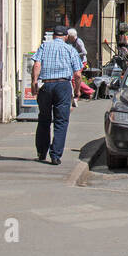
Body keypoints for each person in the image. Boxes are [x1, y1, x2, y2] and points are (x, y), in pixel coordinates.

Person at [32, 25, 83, 166]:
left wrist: (34, 82)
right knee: (61, 121)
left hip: (46, 85)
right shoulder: (70, 49)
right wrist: (77, 91)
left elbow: (37, 65)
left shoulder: (44, 46)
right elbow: (78, 74)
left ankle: (41, 152)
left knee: (44, 119)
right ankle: (55, 155)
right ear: (66, 37)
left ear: (53, 35)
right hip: (63, 85)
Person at [65, 29, 92, 105]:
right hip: (76, 61)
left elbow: (84, 52)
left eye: (69, 36)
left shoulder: (78, 41)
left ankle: (86, 92)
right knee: (74, 78)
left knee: (75, 78)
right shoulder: (72, 42)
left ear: (72, 36)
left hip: (81, 62)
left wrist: (75, 54)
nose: (68, 38)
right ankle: (79, 93)